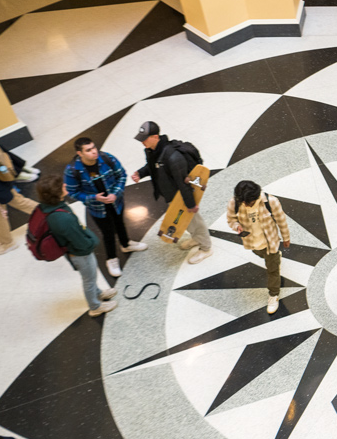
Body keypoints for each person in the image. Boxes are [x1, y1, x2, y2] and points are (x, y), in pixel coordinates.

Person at [35, 175, 118, 317]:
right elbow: (79, 242)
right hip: (80, 253)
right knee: (89, 279)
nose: (65, 185)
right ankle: (95, 306)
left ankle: (98, 293)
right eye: (62, 186)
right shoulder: (62, 218)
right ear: (57, 193)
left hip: (73, 251)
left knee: (90, 277)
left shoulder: (51, 208)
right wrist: (93, 242)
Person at [64, 137, 147, 277]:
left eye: (94, 147)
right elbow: (72, 193)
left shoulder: (107, 158)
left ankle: (126, 244)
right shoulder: (72, 171)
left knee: (120, 223)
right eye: (88, 150)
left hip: (116, 201)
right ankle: (111, 259)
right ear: (80, 153)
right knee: (108, 232)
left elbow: (121, 175)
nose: (94, 152)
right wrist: (93, 198)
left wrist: (115, 194)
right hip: (97, 207)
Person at [131, 121, 212, 264]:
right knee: (186, 222)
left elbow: (183, 183)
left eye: (145, 138)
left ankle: (206, 248)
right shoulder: (152, 151)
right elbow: (152, 166)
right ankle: (196, 238)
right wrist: (140, 173)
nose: (142, 142)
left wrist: (190, 204)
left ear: (155, 136)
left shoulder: (173, 157)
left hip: (182, 196)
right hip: (171, 196)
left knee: (194, 221)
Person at [227, 180, 290, 315]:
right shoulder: (235, 202)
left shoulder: (270, 202)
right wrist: (236, 226)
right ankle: (275, 258)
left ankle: (274, 294)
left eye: (249, 203)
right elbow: (231, 219)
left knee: (272, 269)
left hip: (270, 243)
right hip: (252, 241)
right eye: (243, 202)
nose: (246, 205)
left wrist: (286, 237)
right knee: (259, 253)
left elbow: (281, 220)